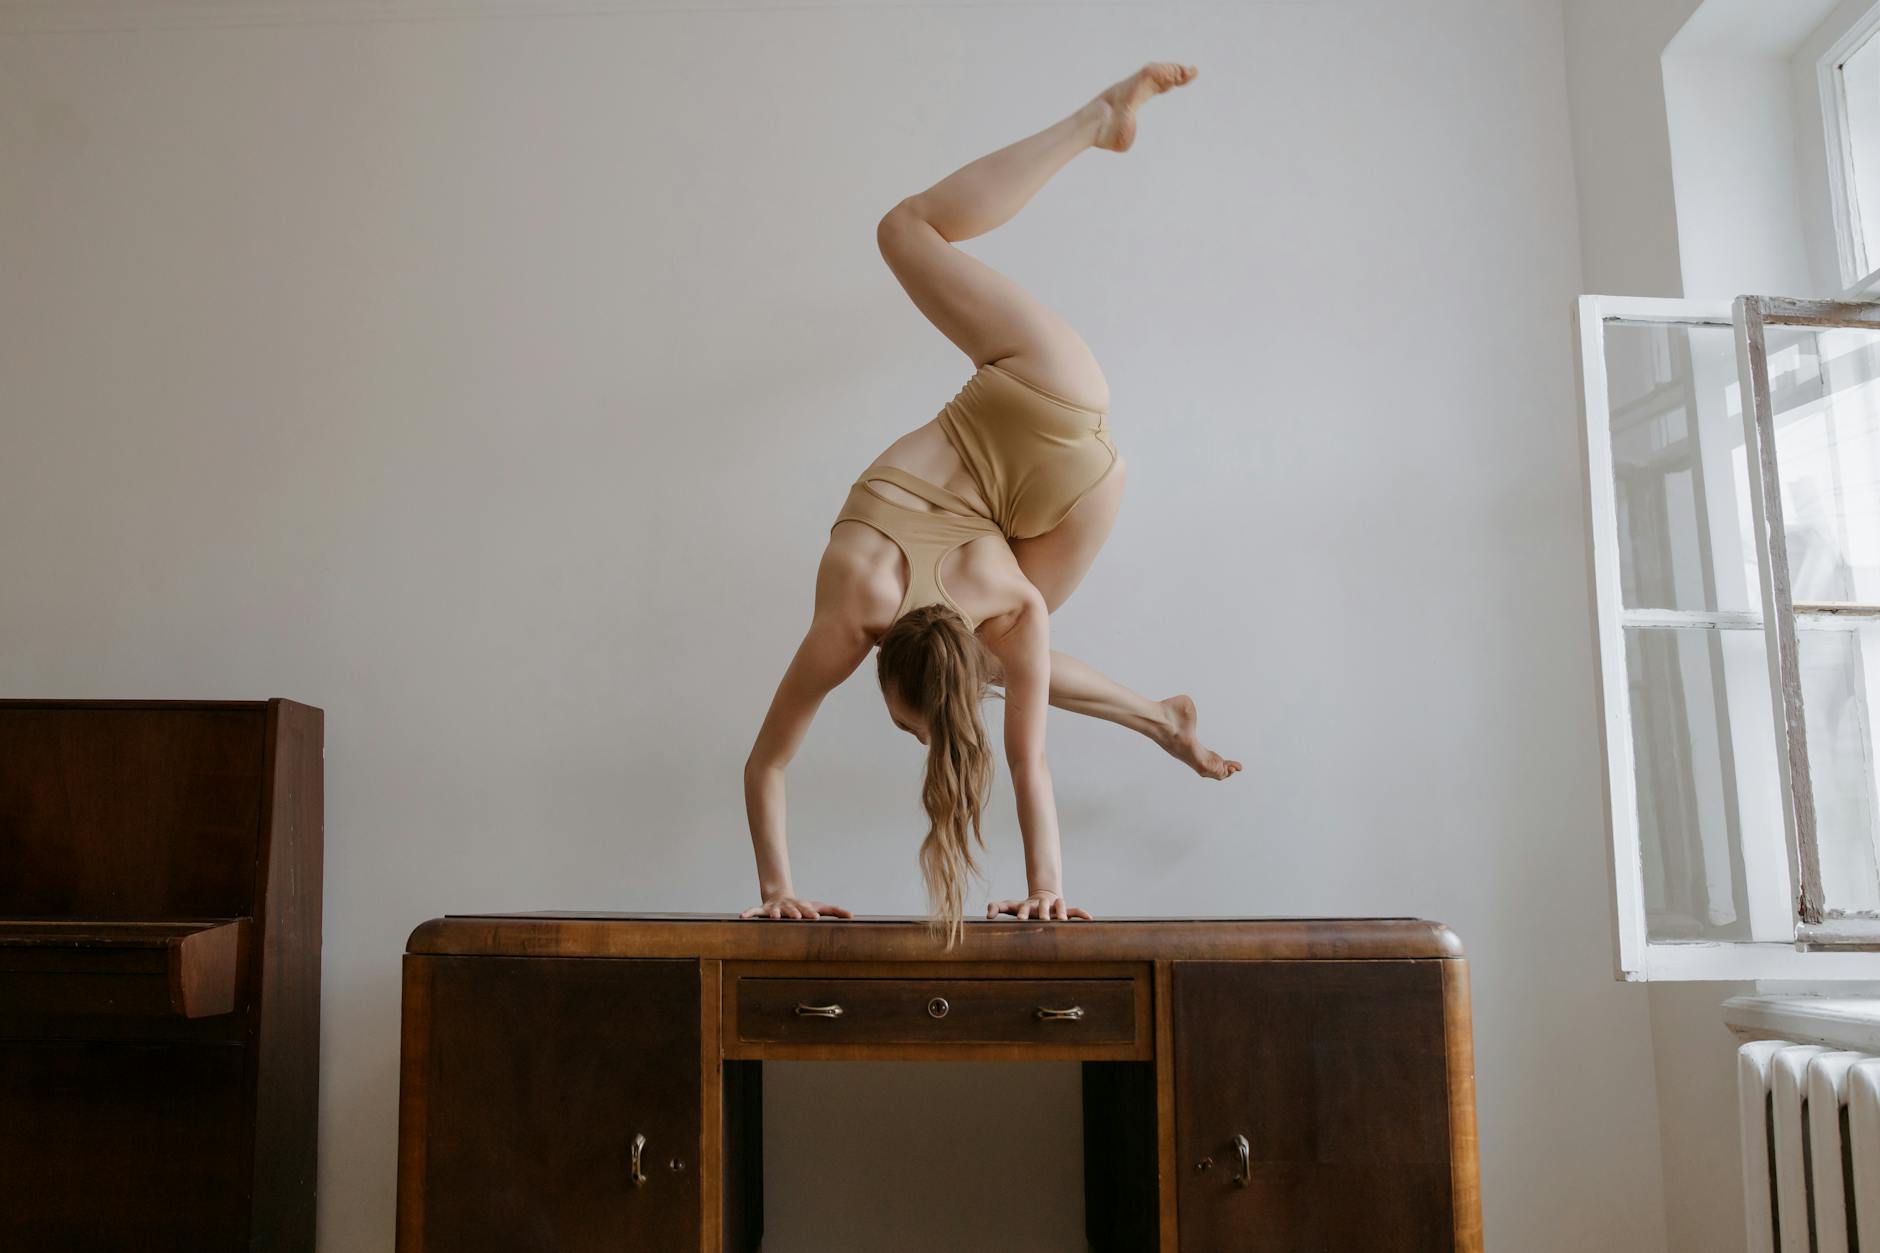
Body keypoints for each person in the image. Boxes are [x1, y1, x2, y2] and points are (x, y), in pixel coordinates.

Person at [741, 63, 1239, 942]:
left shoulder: (1003, 608)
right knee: (904, 229)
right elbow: (764, 765)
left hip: (1087, 491)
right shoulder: (858, 603)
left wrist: (1048, 886)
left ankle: (1163, 718)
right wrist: (777, 887)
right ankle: (1096, 120)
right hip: (1041, 399)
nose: (914, 733)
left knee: (1003, 665)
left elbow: (1028, 759)